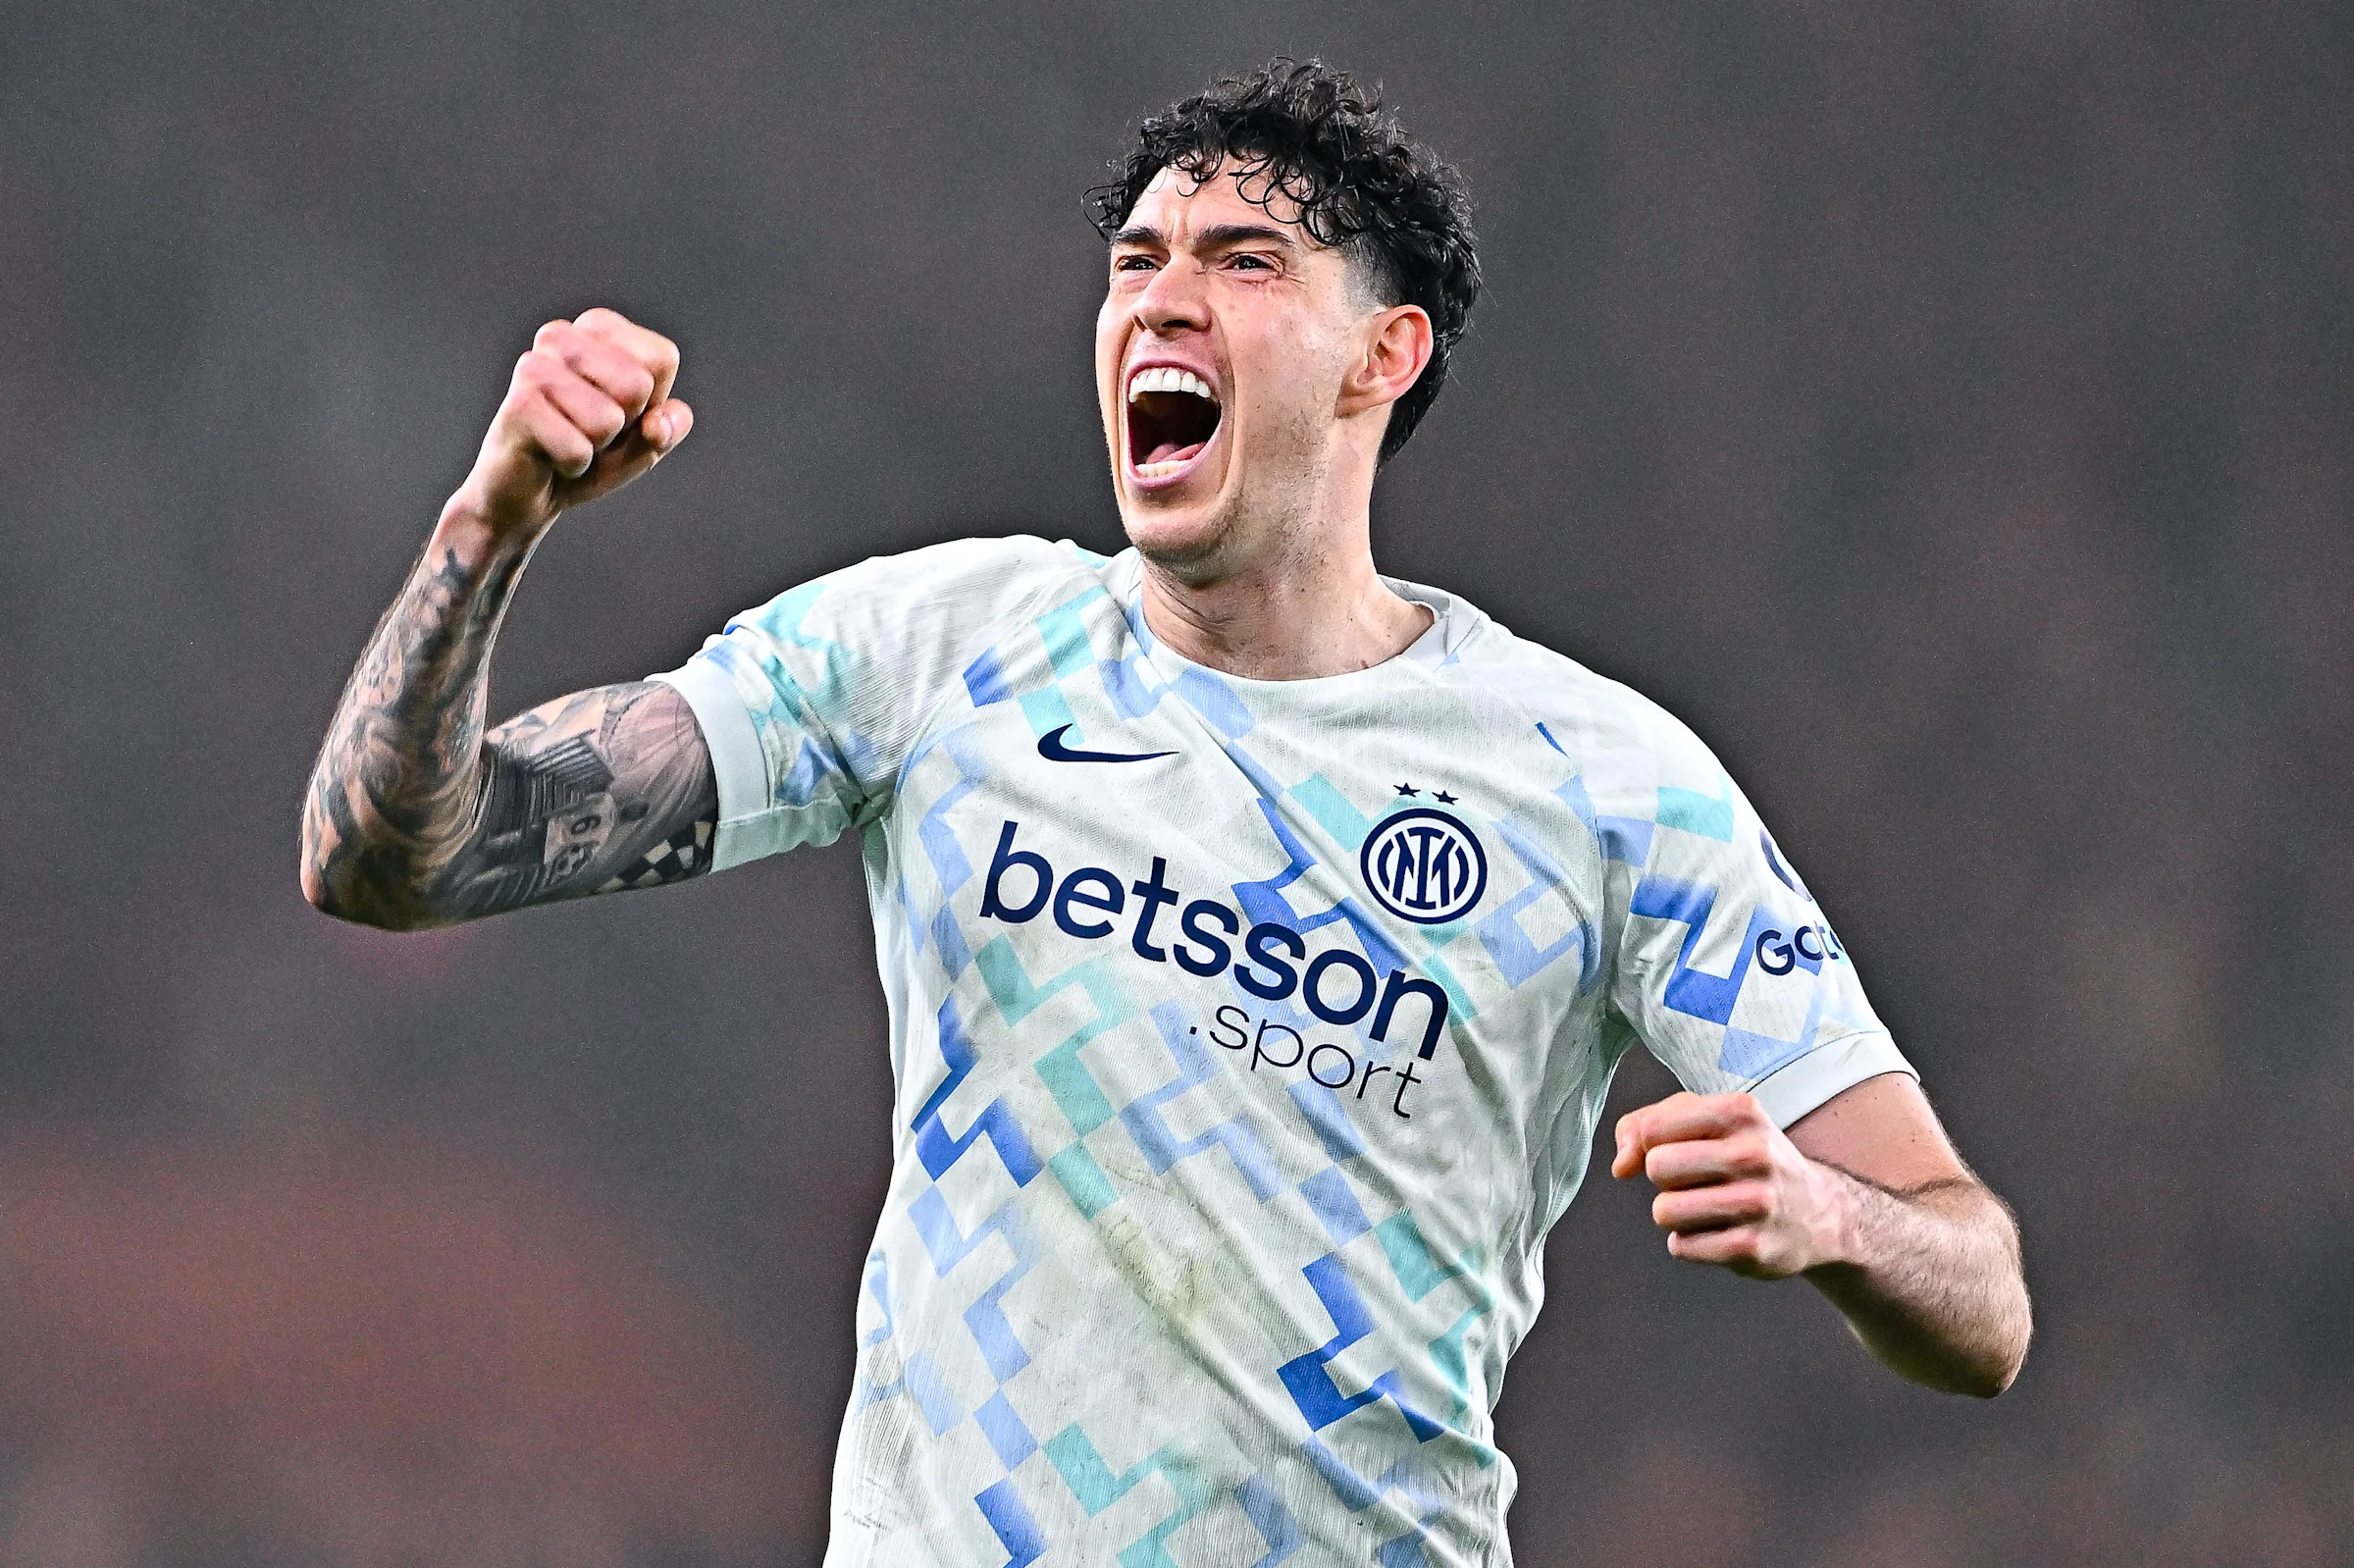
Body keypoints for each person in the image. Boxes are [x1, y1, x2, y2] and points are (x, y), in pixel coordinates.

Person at [302, 60, 2029, 1568]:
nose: (1161, 301)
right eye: (1137, 262)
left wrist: (1835, 1220)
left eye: (1243, 261)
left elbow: (1984, 1296)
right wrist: (490, 527)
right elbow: (394, 858)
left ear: (1383, 355)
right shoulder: (943, 649)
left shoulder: (1599, 782)